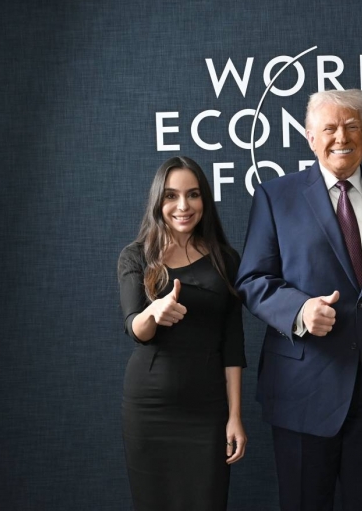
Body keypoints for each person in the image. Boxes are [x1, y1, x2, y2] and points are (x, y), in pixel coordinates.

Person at [236, 89, 362, 511]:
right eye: (329, 128)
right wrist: (300, 310)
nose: (341, 137)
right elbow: (252, 280)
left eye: (351, 126)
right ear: (310, 137)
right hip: (303, 390)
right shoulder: (275, 196)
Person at [117, 156, 246, 511]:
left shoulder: (226, 259)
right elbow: (135, 328)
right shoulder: (136, 256)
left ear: (205, 199)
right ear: (158, 201)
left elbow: (233, 345)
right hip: (149, 409)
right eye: (171, 196)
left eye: (193, 194)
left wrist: (235, 415)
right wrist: (154, 312)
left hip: (208, 409)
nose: (183, 206)